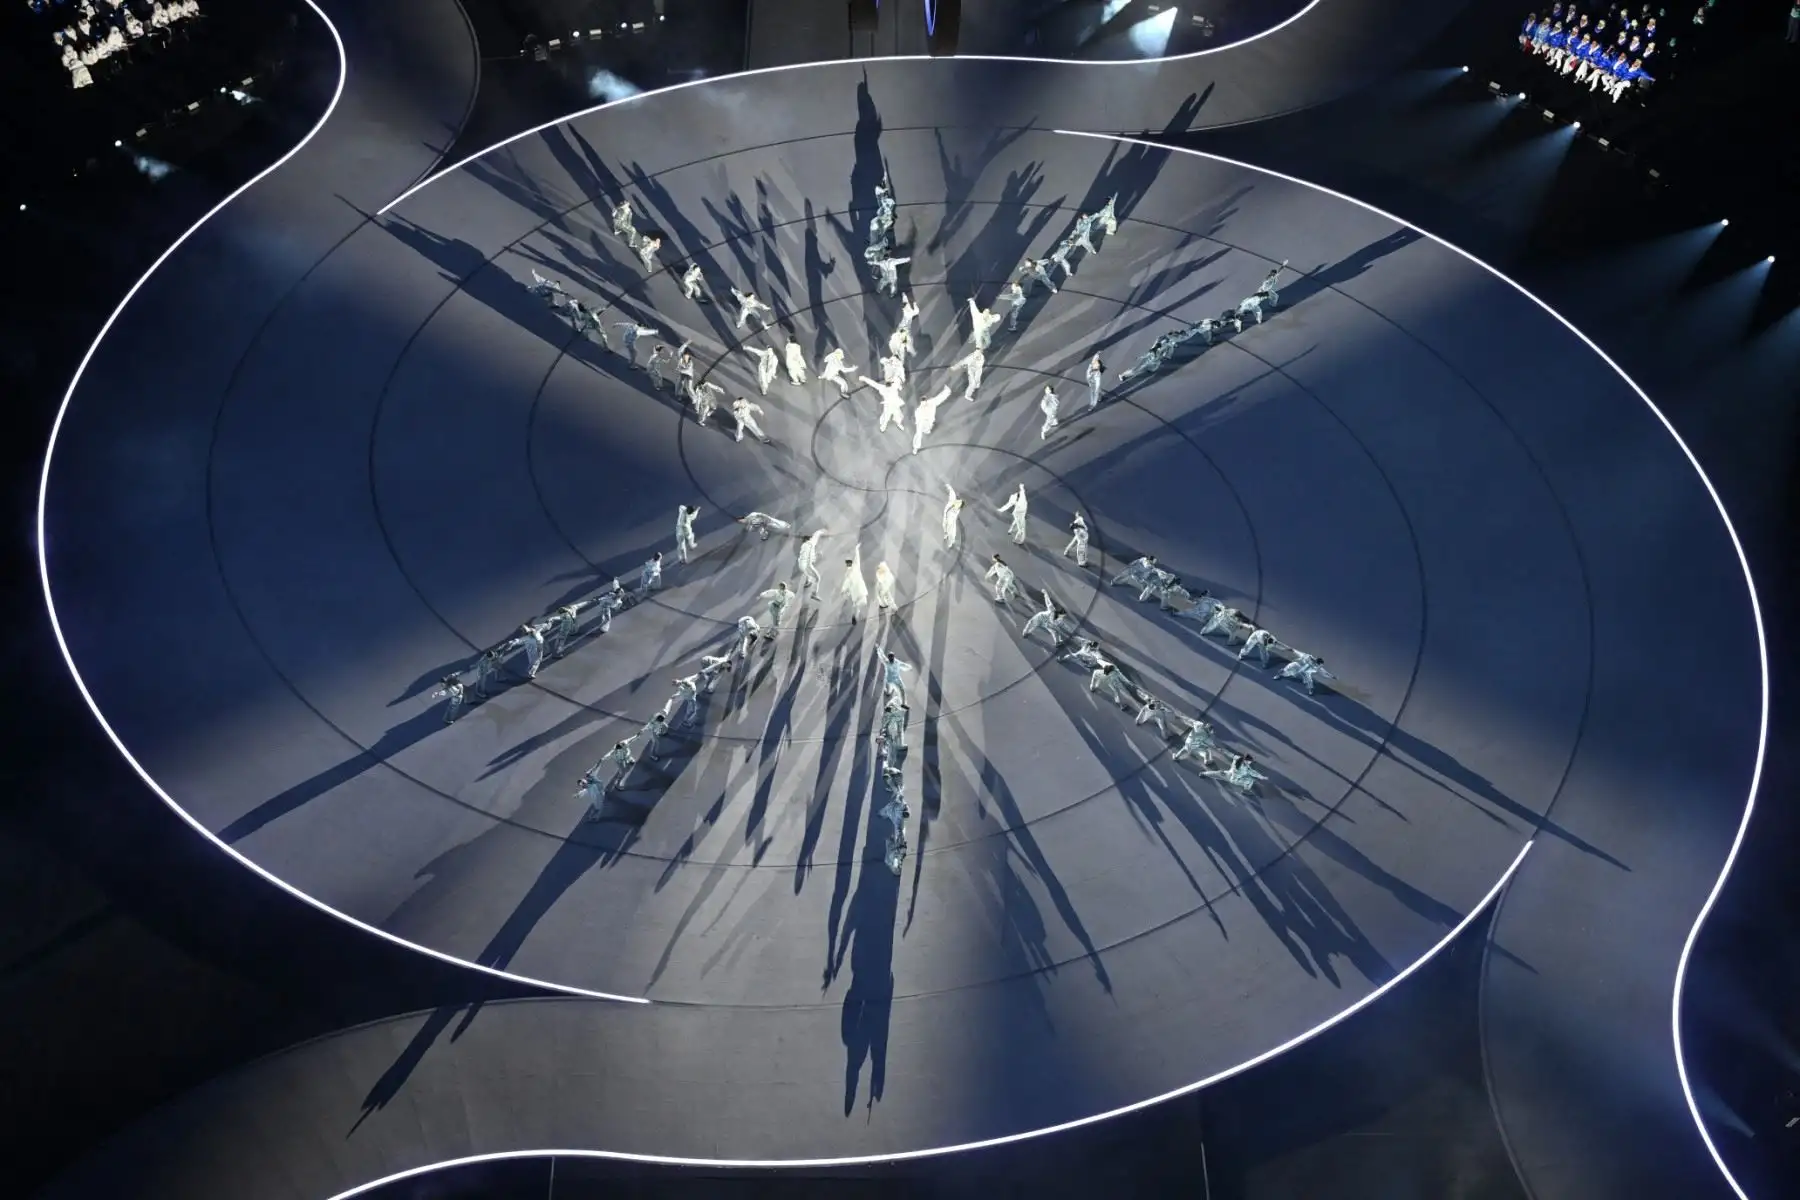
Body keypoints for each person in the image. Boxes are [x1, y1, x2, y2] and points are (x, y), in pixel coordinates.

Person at [913, 385, 949, 454]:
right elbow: (917, 419)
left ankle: (926, 430)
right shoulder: (918, 410)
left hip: (929, 422)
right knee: (918, 434)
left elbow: (939, 398)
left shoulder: (931, 403)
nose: (924, 404)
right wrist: (918, 424)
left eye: (925, 403)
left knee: (927, 429)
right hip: (921, 422)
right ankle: (916, 447)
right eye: (922, 403)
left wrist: (946, 392)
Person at [841, 546, 869, 620]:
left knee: (856, 606)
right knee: (862, 605)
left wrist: (843, 591)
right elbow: (857, 558)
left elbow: (846, 584)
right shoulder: (856, 567)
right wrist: (857, 549)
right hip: (861, 591)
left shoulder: (848, 575)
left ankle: (855, 616)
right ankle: (862, 616)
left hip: (855, 594)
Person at [796, 530, 825, 598]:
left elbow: (809, 556)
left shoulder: (804, 546)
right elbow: (816, 536)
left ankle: (808, 580)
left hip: (801, 564)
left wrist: (817, 554)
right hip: (806, 565)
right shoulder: (810, 543)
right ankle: (814, 593)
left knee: (808, 574)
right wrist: (822, 531)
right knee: (817, 578)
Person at [942, 484, 965, 548]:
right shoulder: (952, 500)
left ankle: (950, 543)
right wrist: (948, 486)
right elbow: (952, 492)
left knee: (951, 532)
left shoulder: (955, 512)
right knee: (944, 527)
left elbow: (951, 524)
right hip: (946, 517)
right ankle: (946, 535)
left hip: (950, 520)